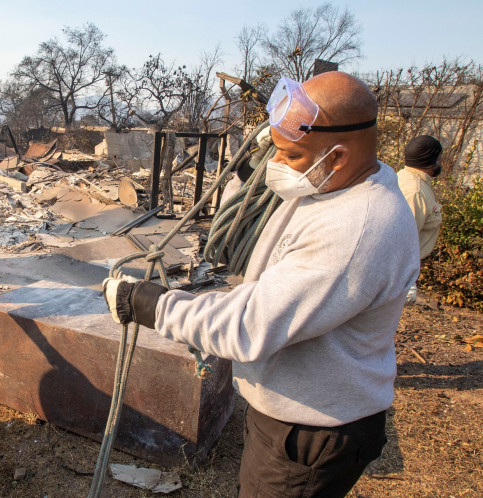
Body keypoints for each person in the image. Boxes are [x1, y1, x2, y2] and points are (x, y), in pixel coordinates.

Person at [104, 72, 420, 497]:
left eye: (289, 155)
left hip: (311, 431)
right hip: (294, 410)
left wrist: (149, 304)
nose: (276, 166)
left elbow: (249, 326)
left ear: (339, 157)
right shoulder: (334, 189)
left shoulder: (357, 228)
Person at [397, 135, 443, 304]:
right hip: (399, 273)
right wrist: (407, 282)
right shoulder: (415, 191)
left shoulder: (405, 177)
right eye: (439, 158)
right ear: (432, 160)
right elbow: (402, 239)